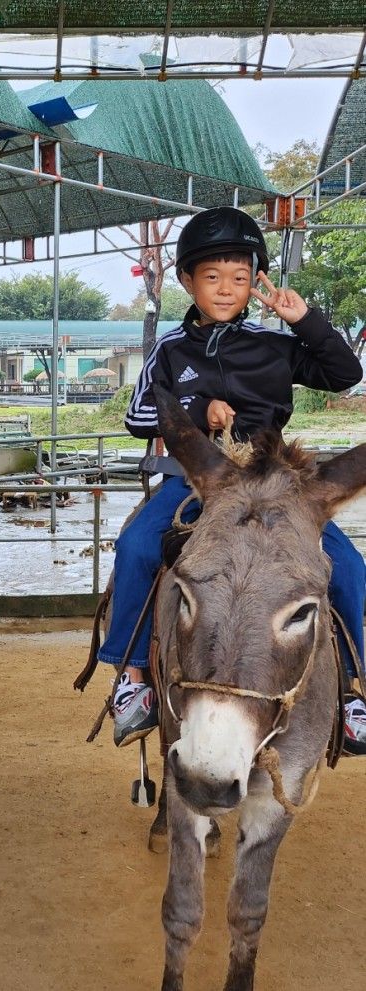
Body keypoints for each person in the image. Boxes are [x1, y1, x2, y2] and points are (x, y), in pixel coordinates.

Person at [99, 206, 366, 755]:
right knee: (137, 544)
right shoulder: (170, 350)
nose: (227, 289)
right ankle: (131, 676)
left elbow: (346, 374)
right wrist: (199, 411)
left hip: (277, 486)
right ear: (186, 281)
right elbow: (137, 418)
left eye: (241, 278)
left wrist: (304, 319)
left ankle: (353, 688)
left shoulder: (276, 344)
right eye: (213, 277)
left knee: (348, 564)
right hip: (200, 479)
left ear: (255, 284)